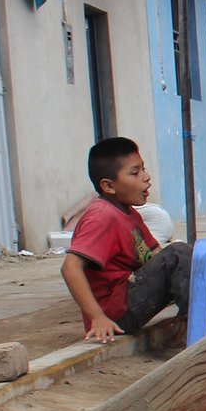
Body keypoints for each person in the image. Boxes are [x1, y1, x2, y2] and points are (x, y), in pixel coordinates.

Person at [61, 137, 192, 342]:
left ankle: (204, 322)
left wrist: (197, 264)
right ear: (109, 186)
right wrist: (97, 317)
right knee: (179, 254)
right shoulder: (102, 215)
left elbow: (155, 257)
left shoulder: (129, 213)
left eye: (144, 169)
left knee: (190, 256)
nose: (146, 177)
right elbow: (70, 268)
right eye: (135, 172)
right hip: (115, 313)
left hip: (130, 299)